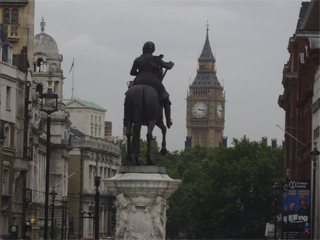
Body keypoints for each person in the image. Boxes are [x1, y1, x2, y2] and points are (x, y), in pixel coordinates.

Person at [130, 41, 174, 128]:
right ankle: (168, 121)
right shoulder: (156, 59)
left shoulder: (137, 60)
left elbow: (132, 72)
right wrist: (171, 64)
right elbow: (168, 67)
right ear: (153, 50)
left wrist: (140, 73)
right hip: (154, 83)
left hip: (138, 81)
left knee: (129, 95)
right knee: (166, 99)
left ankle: (127, 119)